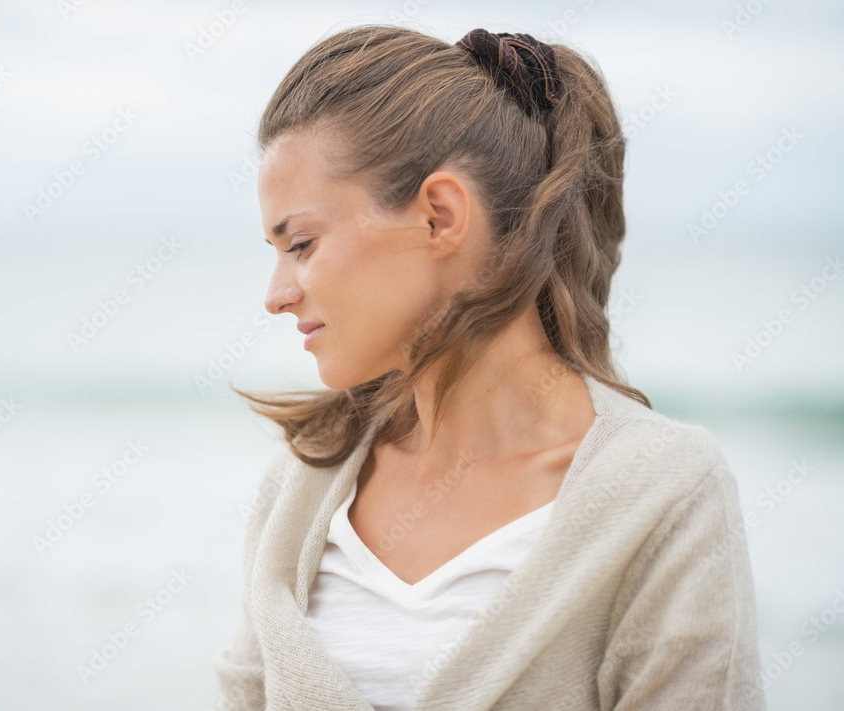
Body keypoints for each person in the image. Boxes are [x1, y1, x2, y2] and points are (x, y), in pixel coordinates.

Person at [212, 24, 766, 710]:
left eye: (300, 243)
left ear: (440, 216)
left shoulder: (663, 493)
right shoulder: (297, 489)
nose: (275, 294)